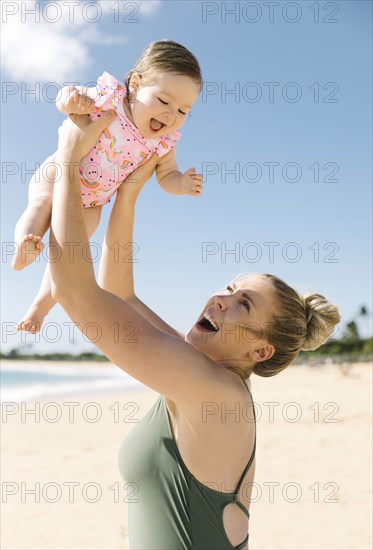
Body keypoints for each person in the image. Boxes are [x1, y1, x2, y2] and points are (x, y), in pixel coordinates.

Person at [50, 113, 341, 549]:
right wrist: (128, 193)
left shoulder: (215, 393)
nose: (221, 299)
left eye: (244, 304)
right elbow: (120, 296)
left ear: (261, 351)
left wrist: (70, 158)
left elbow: (76, 293)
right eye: (229, 287)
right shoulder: (202, 375)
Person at [13, 39, 203, 334]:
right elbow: (66, 98)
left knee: (69, 251)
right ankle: (25, 243)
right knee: (40, 207)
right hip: (58, 173)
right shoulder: (110, 97)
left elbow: (167, 176)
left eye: (182, 111)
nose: (170, 115)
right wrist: (72, 99)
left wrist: (183, 184)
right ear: (136, 85)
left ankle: (40, 306)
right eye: (164, 101)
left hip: (90, 203)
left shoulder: (163, 143)